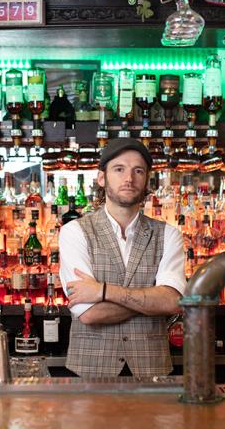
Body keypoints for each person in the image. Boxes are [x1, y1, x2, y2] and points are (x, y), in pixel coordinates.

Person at [60, 138, 185, 378]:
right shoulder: (74, 232)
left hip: (151, 370)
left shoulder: (169, 234)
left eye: (138, 171)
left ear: (147, 180)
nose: (129, 178)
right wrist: (151, 301)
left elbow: (172, 302)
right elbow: (89, 314)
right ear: (101, 178)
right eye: (119, 169)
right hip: (91, 372)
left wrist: (103, 291)